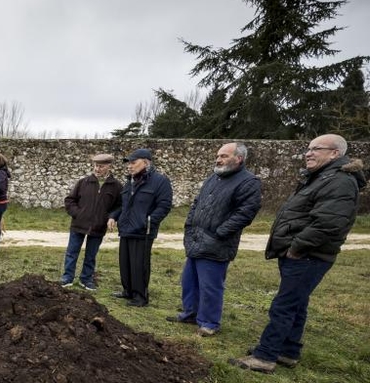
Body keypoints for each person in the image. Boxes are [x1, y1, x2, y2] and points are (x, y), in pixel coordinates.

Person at [233, 134, 364, 373]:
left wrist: (297, 247)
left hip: (308, 255)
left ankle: (265, 356)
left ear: (335, 153)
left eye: (317, 149)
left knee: (284, 304)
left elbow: (329, 223)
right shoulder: (321, 178)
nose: (309, 153)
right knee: (297, 303)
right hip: (303, 253)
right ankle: (288, 350)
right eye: (308, 148)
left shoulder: (339, 181)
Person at [168, 143, 262, 336]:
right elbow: (197, 203)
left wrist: (218, 233)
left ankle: (209, 323)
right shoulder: (214, 177)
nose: (218, 159)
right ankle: (191, 314)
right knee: (189, 281)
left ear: (239, 158)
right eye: (218, 156)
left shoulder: (248, 182)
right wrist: (190, 225)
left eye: (224, 156)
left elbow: (245, 213)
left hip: (217, 243)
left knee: (210, 285)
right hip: (196, 238)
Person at [107, 148, 173, 307]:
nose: (129, 166)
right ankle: (128, 291)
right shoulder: (129, 181)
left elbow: (164, 206)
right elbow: (124, 205)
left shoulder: (160, 181)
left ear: (146, 162)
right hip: (126, 229)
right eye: (128, 163)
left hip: (143, 231)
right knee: (125, 263)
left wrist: (148, 221)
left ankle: (140, 297)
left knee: (139, 264)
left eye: (133, 162)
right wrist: (113, 216)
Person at [60, 153, 123, 290]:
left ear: (109, 166)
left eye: (101, 166)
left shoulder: (116, 186)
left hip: (99, 226)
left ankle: (86, 279)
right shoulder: (83, 182)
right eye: (95, 165)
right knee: (72, 252)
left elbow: (119, 206)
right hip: (79, 224)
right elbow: (70, 200)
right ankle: (67, 277)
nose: (97, 169)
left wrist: (112, 217)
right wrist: (78, 214)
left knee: (91, 255)